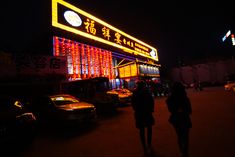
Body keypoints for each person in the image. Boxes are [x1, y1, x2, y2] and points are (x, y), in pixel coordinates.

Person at [166, 82, 192, 157]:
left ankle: (181, 151)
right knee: (186, 137)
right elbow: (189, 111)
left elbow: (170, 109)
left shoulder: (171, 98)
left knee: (179, 136)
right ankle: (185, 152)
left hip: (176, 120)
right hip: (185, 119)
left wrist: (177, 110)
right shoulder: (185, 98)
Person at [131, 80, 155, 154]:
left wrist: (136, 109)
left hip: (139, 114)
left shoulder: (135, 93)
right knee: (149, 129)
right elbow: (152, 102)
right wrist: (151, 110)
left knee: (142, 131)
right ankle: (149, 144)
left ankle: (144, 146)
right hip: (147, 113)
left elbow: (133, 104)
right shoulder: (147, 92)